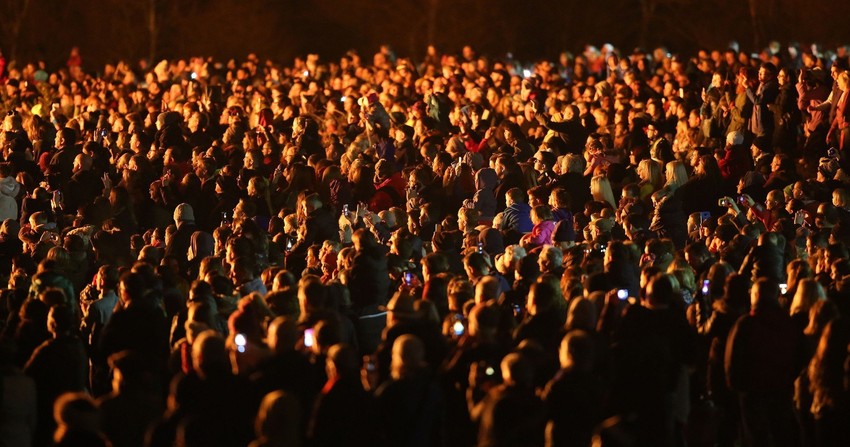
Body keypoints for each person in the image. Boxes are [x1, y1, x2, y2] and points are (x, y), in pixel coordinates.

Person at [725, 278, 803, 447]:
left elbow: (733, 360)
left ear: (757, 295)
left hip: (753, 392)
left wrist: (737, 386)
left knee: (755, 437)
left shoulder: (746, 324)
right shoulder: (788, 323)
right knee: (780, 433)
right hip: (781, 390)